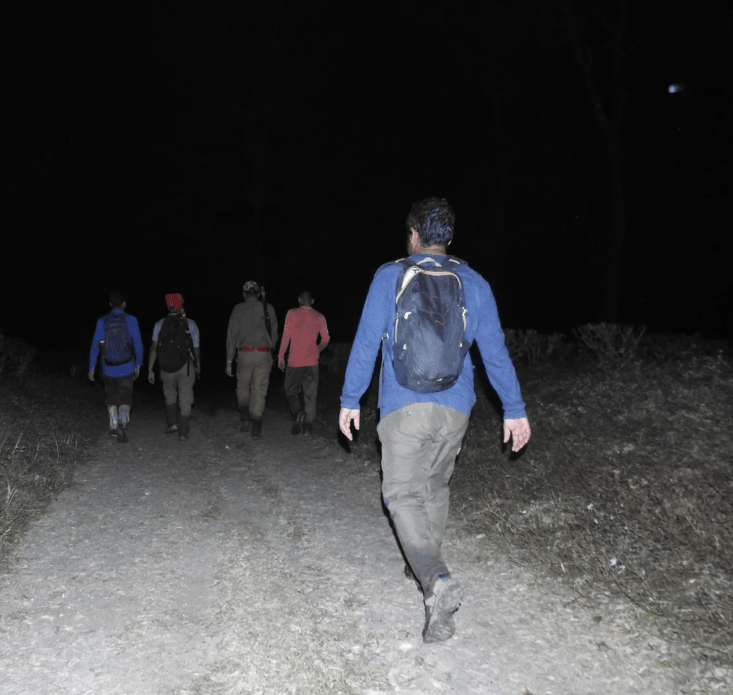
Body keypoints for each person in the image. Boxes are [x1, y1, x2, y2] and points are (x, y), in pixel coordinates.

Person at [338, 197, 531, 644]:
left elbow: (366, 343)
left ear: (412, 235)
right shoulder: (474, 282)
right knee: (435, 487)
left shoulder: (390, 276)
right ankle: (423, 564)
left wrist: (350, 399)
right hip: (456, 408)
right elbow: (495, 353)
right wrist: (515, 409)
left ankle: (435, 578)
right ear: (448, 237)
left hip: (404, 406)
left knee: (402, 493)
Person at [88, 290, 143, 443]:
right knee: (125, 396)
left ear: (110, 304)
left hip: (108, 367)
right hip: (127, 366)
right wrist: (138, 364)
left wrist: (91, 367)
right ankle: (122, 422)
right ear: (124, 304)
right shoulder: (131, 320)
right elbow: (138, 344)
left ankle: (113, 426)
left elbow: (95, 345)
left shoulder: (102, 321)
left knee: (111, 396)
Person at [225, 281, 278, 439]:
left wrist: (229, 360)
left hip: (244, 354)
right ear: (258, 293)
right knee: (259, 390)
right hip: (263, 354)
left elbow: (232, 336)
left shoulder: (238, 309)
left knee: (243, 387)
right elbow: (274, 334)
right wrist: (270, 349)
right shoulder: (268, 308)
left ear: (244, 294)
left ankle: (244, 420)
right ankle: (256, 429)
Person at [147, 293, 201, 441]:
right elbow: (196, 347)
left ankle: (172, 424)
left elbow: (154, 348)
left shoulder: (159, 324)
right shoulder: (190, 324)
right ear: (181, 305)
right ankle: (183, 432)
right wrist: (197, 364)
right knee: (186, 397)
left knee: (170, 394)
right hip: (186, 367)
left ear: (168, 306)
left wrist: (150, 369)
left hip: (166, 367)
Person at [278, 290, 330, 436]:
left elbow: (286, 336)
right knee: (310, 395)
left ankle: (298, 413)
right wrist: (317, 349)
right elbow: (326, 339)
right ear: (312, 301)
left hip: (294, 361)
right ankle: (308, 428)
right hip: (312, 362)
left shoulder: (291, 313)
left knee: (290, 391)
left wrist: (281, 356)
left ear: (299, 300)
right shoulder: (320, 316)